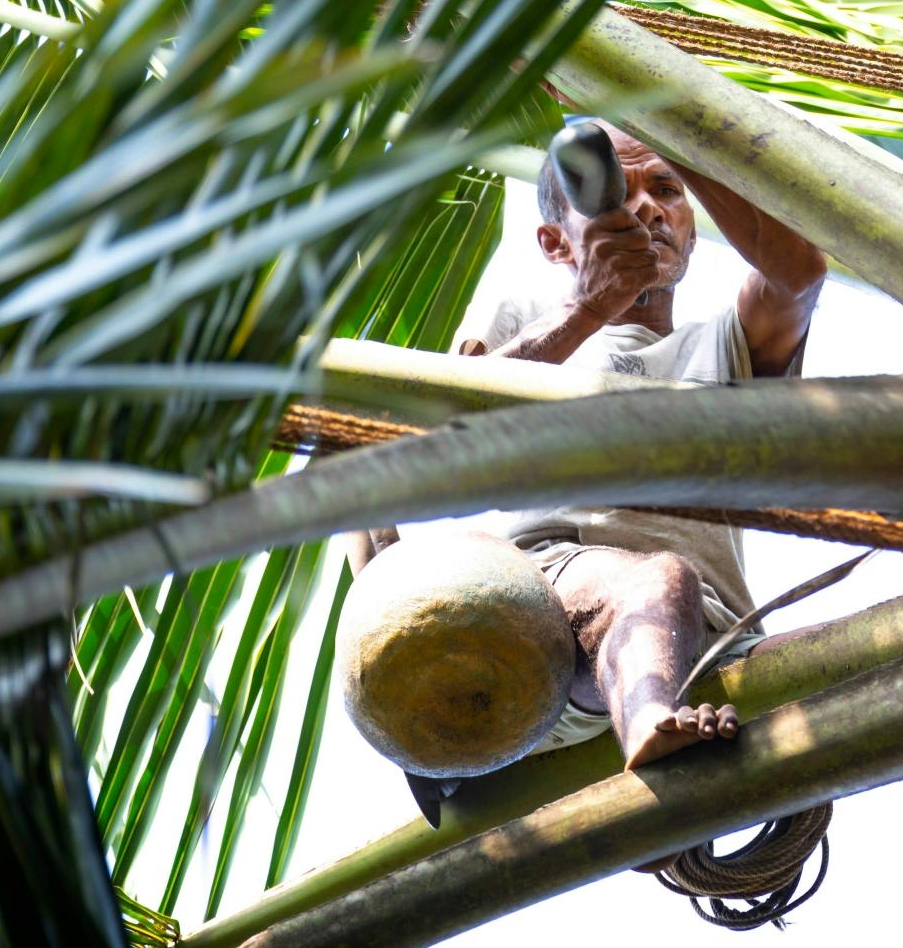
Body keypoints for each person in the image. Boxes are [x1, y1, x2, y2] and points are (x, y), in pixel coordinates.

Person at [348, 121, 826, 823]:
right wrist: (590, 306)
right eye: (616, 194)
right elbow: (438, 439)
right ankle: (650, 730)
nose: (646, 208)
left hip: (715, 639)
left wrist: (675, 131)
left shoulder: (723, 343)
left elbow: (799, 274)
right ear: (555, 242)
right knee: (659, 578)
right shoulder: (531, 314)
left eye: (667, 190)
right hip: (549, 631)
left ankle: (657, 750)